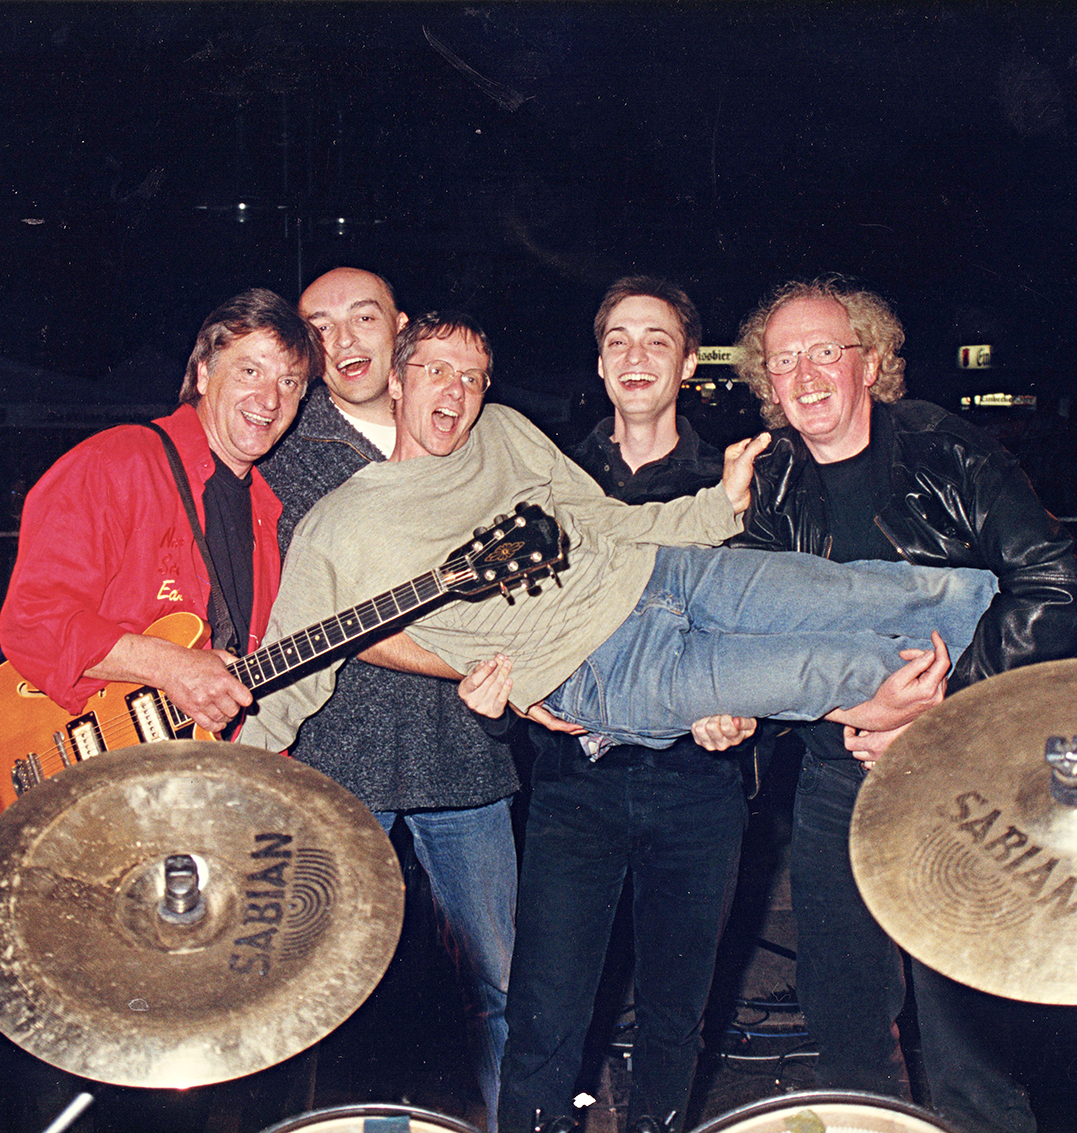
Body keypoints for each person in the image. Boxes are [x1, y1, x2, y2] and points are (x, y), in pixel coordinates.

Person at [236, 309, 1010, 791]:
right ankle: (1018, 720)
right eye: (435, 371)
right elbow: (290, 666)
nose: (456, 391)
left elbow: (600, 519)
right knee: (827, 668)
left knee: (858, 592)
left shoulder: (502, 432)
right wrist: (238, 767)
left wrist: (715, 509)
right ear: (398, 386)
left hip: (657, 572)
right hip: (600, 668)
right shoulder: (337, 528)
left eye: (472, 376)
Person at [727, 276, 1077, 1132]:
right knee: (841, 1005)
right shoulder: (775, 480)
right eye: (782, 360)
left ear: (866, 360)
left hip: (960, 763)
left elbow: (1063, 587)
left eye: (824, 351)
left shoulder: (944, 450)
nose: (804, 374)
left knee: (963, 1021)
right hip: (840, 772)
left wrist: (940, 701)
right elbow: (759, 632)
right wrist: (852, 712)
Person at [259, 267, 519, 1129]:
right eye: (318, 326)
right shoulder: (293, 456)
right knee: (340, 981)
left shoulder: (471, 439)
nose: (343, 342)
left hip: (465, 755)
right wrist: (477, 658)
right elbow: (335, 619)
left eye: (362, 318)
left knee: (498, 979)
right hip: (340, 755)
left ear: (401, 330)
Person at [488, 278, 749, 1133]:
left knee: (677, 1018)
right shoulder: (548, 479)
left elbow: (759, 617)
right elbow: (505, 614)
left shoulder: (734, 483)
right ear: (600, 364)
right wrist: (523, 692)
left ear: (684, 364)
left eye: (657, 340)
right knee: (543, 1014)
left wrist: (738, 702)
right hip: (574, 782)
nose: (636, 356)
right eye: (620, 341)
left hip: (696, 782)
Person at [0, 287, 319, 740]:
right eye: (250, 371)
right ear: (204, 373)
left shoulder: (269, 511)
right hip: (91, 761)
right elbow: (34, 620)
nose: (270, 400)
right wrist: (171, 665)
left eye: (289, 383)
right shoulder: (119, 460)